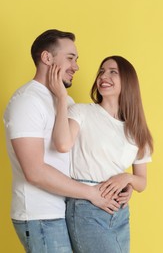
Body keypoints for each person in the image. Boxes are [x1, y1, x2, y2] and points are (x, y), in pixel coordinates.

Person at [3, 30, 128, 253]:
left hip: (67, 211)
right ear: (47, 58)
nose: (76, 66)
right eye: (70, 58)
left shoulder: (64, 100)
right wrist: (92, 193)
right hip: (40, 216)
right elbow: (35, 172)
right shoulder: (26, 101)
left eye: (76, 59)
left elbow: (80, 155)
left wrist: (120, 184)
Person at [49, 55, 154, 253]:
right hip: (86, 207)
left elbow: (142, 183)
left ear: (128, 81)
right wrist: (62, 98)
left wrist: (126, 178)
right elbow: (63, 144)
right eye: (102, 71)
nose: (103, 76)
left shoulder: (137, 130)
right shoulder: (81, 112)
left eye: (113, 72)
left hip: (120, 213)